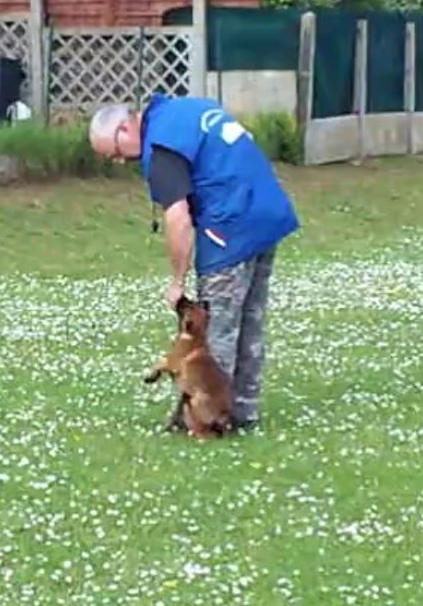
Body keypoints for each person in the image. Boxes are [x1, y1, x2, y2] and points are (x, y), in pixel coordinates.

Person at [88, 94, 300, 432]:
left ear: (126, 128)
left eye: (114, 153)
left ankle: (206, 421)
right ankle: (244, 412)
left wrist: (177, 282)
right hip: (267, 210)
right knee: (250, 321)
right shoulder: (183, 109)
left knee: (212, 334)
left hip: (230, 226)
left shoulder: (161, 150)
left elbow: (178, 219)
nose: (118, 162)